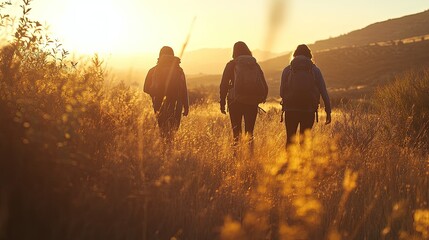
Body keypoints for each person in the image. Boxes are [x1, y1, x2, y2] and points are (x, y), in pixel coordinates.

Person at [280, 44, 331, 148]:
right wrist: (328, 111)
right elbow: (323, 91)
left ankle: (289, 163)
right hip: (308, 109)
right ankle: (304, 163)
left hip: (291, 109)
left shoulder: (287, 70)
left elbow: (281, 92)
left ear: (295, 55)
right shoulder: (315, 70)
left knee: (290, 139)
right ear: (309, 56)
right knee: (304, 141)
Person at [219, 41, 268, 150]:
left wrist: (222, 102)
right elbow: (263, 82)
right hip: (252, 101)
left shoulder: (231, 65)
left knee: (236, 132)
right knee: (249, 132)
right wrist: (262, 96)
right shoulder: (254, 65)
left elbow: (223, 84)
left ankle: (237, 157)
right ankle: (250, 157)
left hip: (234, 101)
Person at [144, 46, 189, 139]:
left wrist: (156, 93)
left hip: (159, 104)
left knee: (162, 130)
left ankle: (164, 149)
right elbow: (183, 89)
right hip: (176, 105)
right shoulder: (179, 70)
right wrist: (186, 106)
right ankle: (170, 148)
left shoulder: (153, 70)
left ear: (160, 55)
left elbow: (145, 88)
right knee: (173, 131)